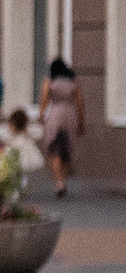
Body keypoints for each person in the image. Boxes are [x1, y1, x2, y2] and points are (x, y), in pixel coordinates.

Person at [39, 57, 85, 199]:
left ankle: (59, 182)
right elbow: (80, 103)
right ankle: (63, 179)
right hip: (70, 116)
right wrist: (81, 122)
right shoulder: (73, 83)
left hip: (55, 115)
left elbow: (44, 100)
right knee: (67, 149)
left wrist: (41, 116)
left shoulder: (49, 82)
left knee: (55, 149)